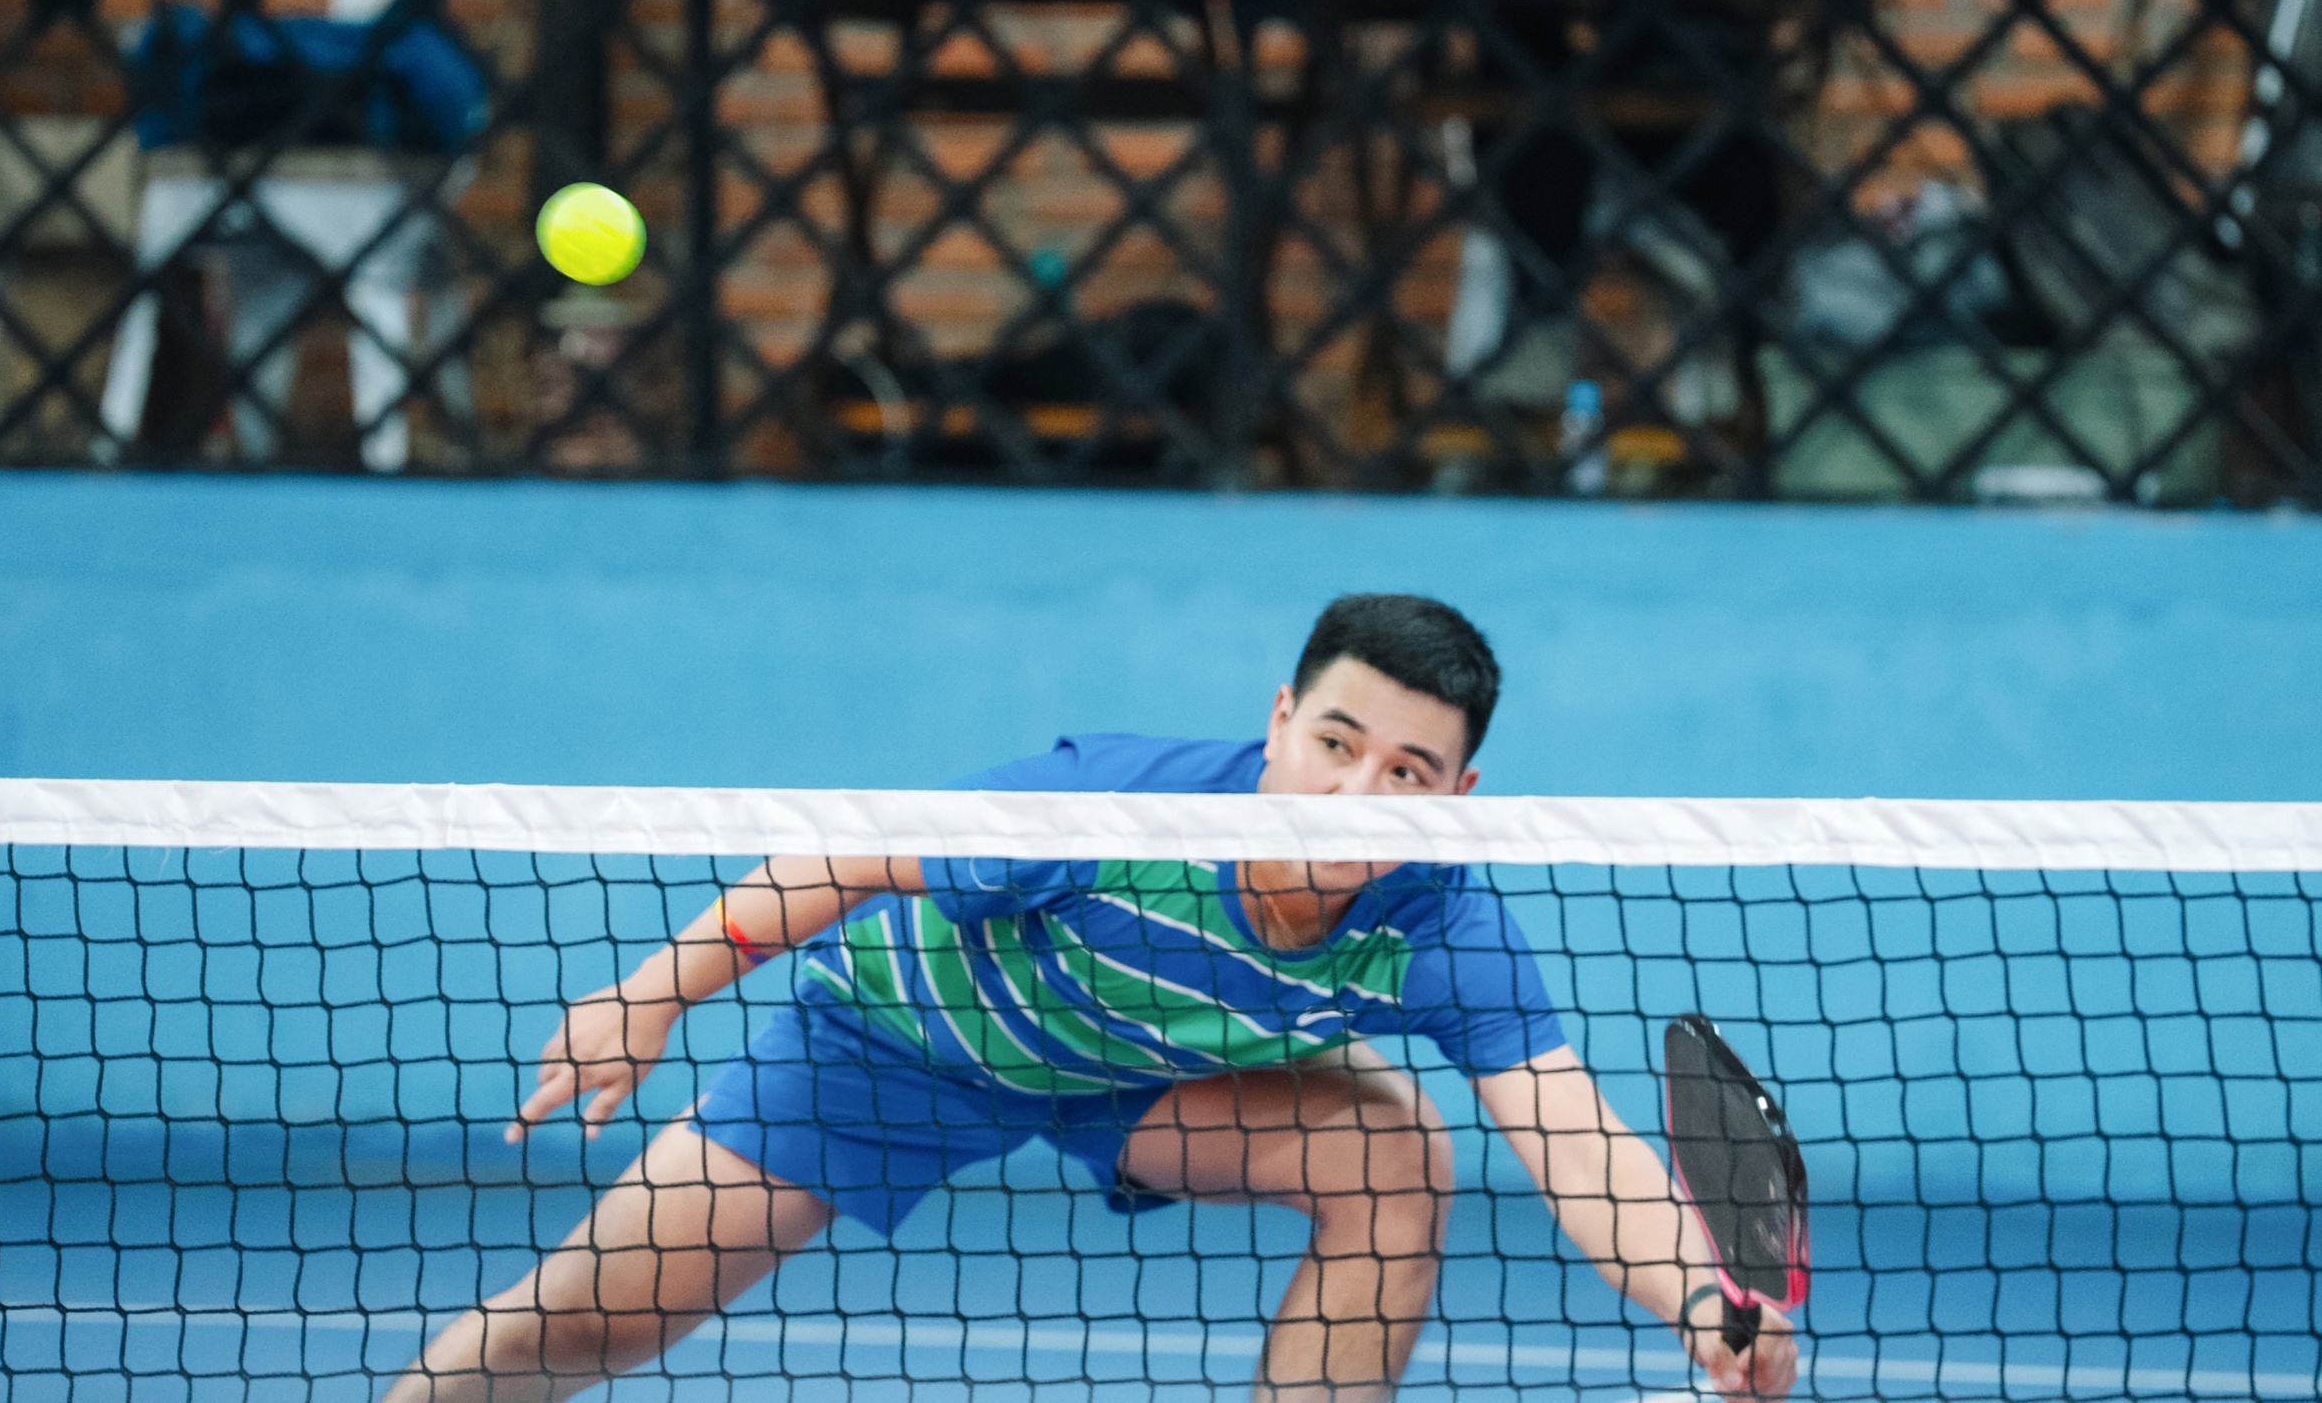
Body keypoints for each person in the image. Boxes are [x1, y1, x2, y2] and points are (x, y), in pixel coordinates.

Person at [385, 594, 1799, 1403]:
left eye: (1407, 774)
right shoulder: (1110, 809)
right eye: (1336, 743)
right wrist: (652, 993)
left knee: (1394, 1153)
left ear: (1459, 795)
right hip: (891, 1042)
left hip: (1131, 1086)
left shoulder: (1441, 921)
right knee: (595, 1317)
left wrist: (1698, 1297)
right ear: (1279, 724)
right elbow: (854, 852)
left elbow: (1573, 1139)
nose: (1357, 793)